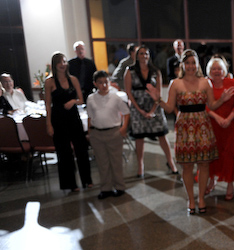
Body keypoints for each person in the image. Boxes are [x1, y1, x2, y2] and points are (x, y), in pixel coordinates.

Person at [149, 49, 234, 214]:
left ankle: (201, 198)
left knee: (203, 163)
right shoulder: (176, 83)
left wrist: (222, 100)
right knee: (187, 166)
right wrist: (158, 99)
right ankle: (190, 199)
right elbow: (169, 107)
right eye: (187, 63)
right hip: (184, 127)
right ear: (182, 65)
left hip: (202, 125)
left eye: (193, 63)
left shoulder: (205, 82)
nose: (190, 66)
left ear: (197, 65)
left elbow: (212, 105)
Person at [124, 45, 178, 178]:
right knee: (139, 138)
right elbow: (128, 92)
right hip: (138, 108)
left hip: (154, 107)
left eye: (146, 54)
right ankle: (140, 165)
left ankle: (171, 162)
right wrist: (139, 110)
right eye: (141, 54)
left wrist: (153, 110)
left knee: (162, 134)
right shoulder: (129, 71)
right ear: (137, 56)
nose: (144, 56)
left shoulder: (156, 71)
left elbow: (158, 92)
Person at [44, 51, 93, 192]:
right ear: (55, 65)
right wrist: (49, 124)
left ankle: (87, 180)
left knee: (81, 149)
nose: (62, 65)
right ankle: (71, 184)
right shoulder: (49, 82)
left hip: (73, 116)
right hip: (58, 118)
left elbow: (81, 100)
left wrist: (73, 101)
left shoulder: (73, 79)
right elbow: (47, 104)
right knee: (64, 153)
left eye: (64, 62)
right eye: (59, 62)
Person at [86, 70, 131, 200]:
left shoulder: (115, 97)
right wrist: (90, 131)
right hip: (97, 133)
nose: (104, 85)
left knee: (115, 161)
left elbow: (126, 113)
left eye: (106, 82)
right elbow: (90, 115)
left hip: (113, 132)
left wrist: (123, 128)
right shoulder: (91, 98)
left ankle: (120, 186)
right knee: (102, 162)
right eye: (100, 83)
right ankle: (105, 188)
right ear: (95, 84)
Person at [206, 56, 234, 201]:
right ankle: (211, 179)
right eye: (214, 69)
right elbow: (204, 105)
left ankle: (229, 184)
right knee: (213, 154)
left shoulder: (232, 83)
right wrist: (218, 118)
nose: (217, 71)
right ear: (209, 71)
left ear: (224, 70)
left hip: (231, 125)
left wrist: (228, 119)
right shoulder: (207, 84)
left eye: (219, 68)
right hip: (213, 125)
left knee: (230, 154)